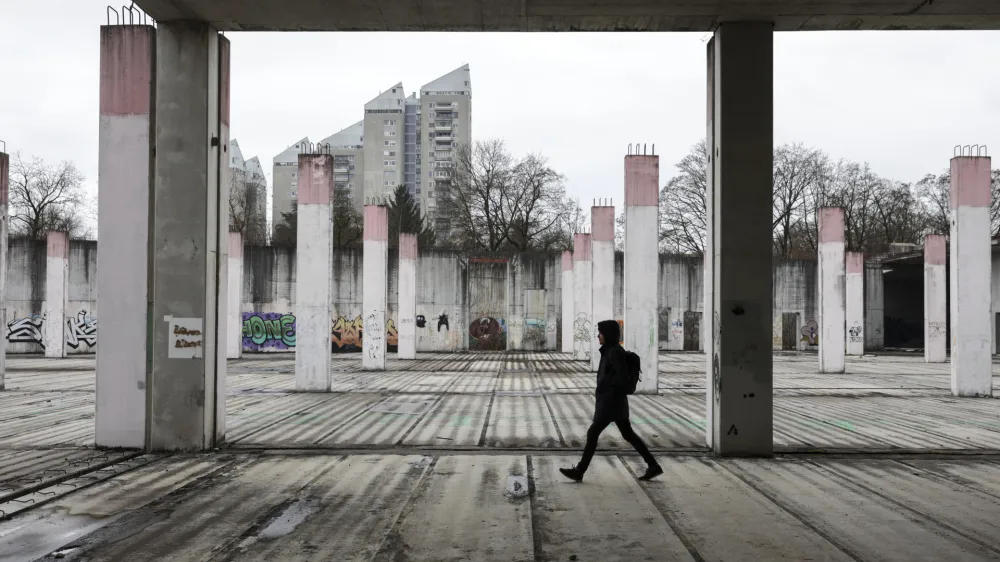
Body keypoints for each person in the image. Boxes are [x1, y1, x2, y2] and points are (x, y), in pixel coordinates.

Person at [559, 320, 663, 482]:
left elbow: (621, 378)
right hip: (613, 402)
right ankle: (653, 465)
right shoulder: (609, 351)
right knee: (629, 435)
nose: (598, 336)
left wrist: (608, 386)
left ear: (607, 334)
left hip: (611, 403)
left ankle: (579, 471)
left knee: (593, 433)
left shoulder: (615, 352)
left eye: (600, 333)